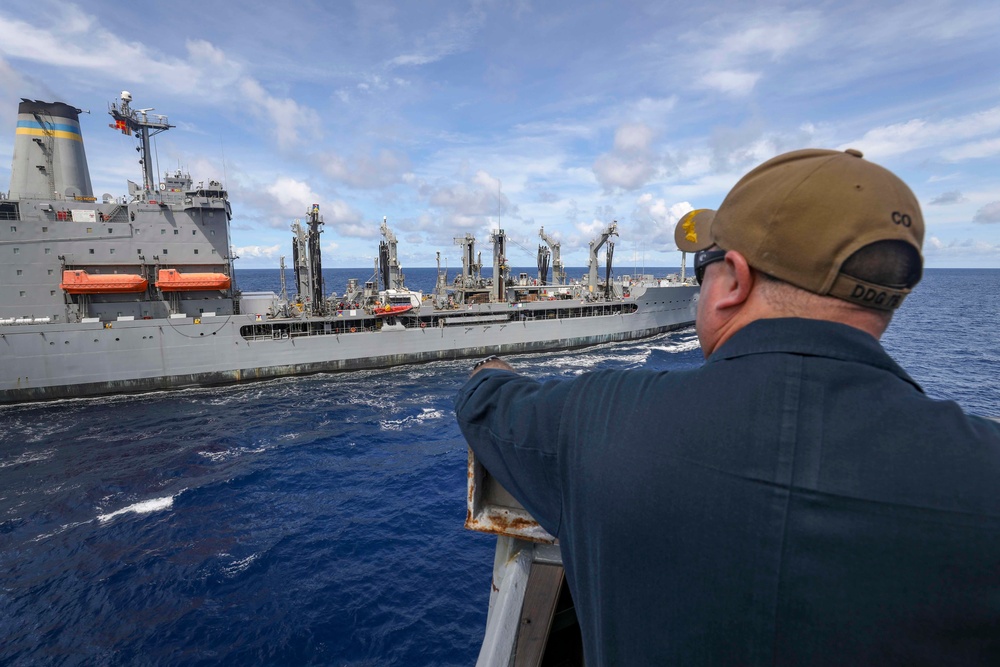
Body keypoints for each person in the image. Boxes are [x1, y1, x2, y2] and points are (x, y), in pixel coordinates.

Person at [454, 148, 1000, 665]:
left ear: (733, 281)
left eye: (702, 270)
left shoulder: (599, 416)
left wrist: (493, 369)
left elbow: (481, 398)